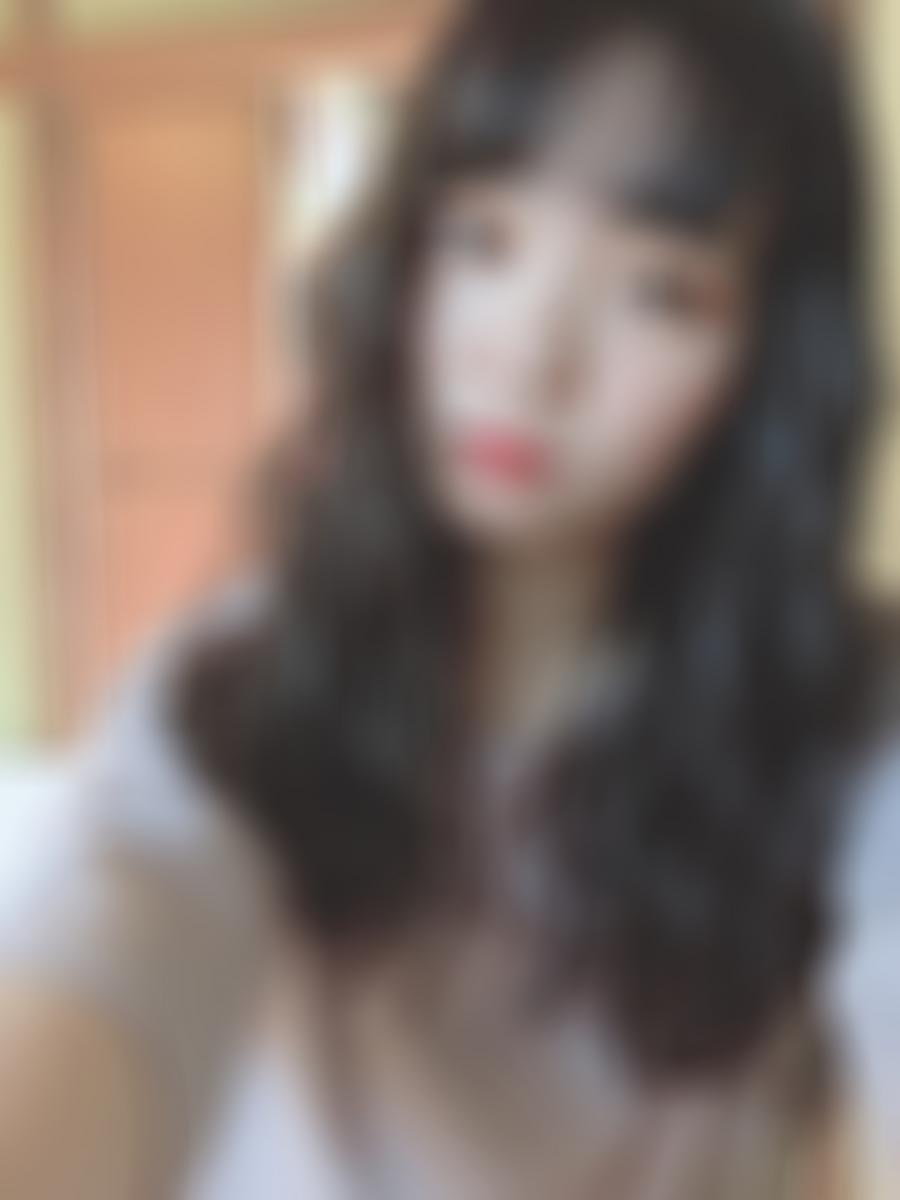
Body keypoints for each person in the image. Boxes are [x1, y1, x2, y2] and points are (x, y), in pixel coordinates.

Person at [1, 0, 899, 1195]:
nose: (528, 357)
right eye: (482, 240)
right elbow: (114, 951)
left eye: (660, 291)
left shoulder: (842, 720)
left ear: (768, 359)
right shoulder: (243, 687)